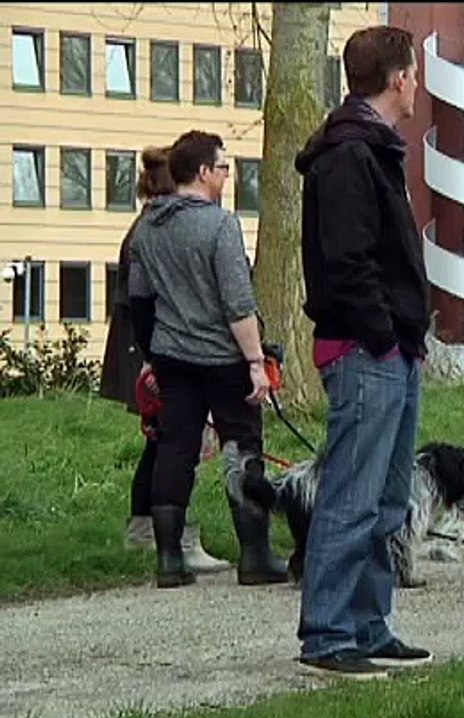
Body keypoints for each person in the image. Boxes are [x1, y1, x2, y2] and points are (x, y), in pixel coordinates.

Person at [295, 25, 433, 679]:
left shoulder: (376, 149)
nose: (419, 84)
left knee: (387, 499)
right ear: (397, 77)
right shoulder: (349, 156)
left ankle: (368, 622)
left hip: (392, 346)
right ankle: (327, 633)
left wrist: (407, 336)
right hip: (362, 349)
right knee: (352, 495)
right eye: (415, 72)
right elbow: (348, 260)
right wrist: (383, 333)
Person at [127, 130, 288, 589]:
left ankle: (168, 560)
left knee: (175, 449)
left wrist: (153, 355)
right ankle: (255, 556)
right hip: (223, 359)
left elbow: (139, 299)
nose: (225, 175)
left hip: (173, 357)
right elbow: (237, 304)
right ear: (202, 173)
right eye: (222, 167)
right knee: (242, 447)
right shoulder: (220, 226)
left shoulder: (147, 228)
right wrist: (256, 361)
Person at [100, 146, 229, 573]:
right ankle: (167, 533)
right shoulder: (156, 230)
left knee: (162, 439)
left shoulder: (147, 227)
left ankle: (146, 526)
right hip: (154, 346)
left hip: (149, 344)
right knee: (174, 441)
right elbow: (144, 297)